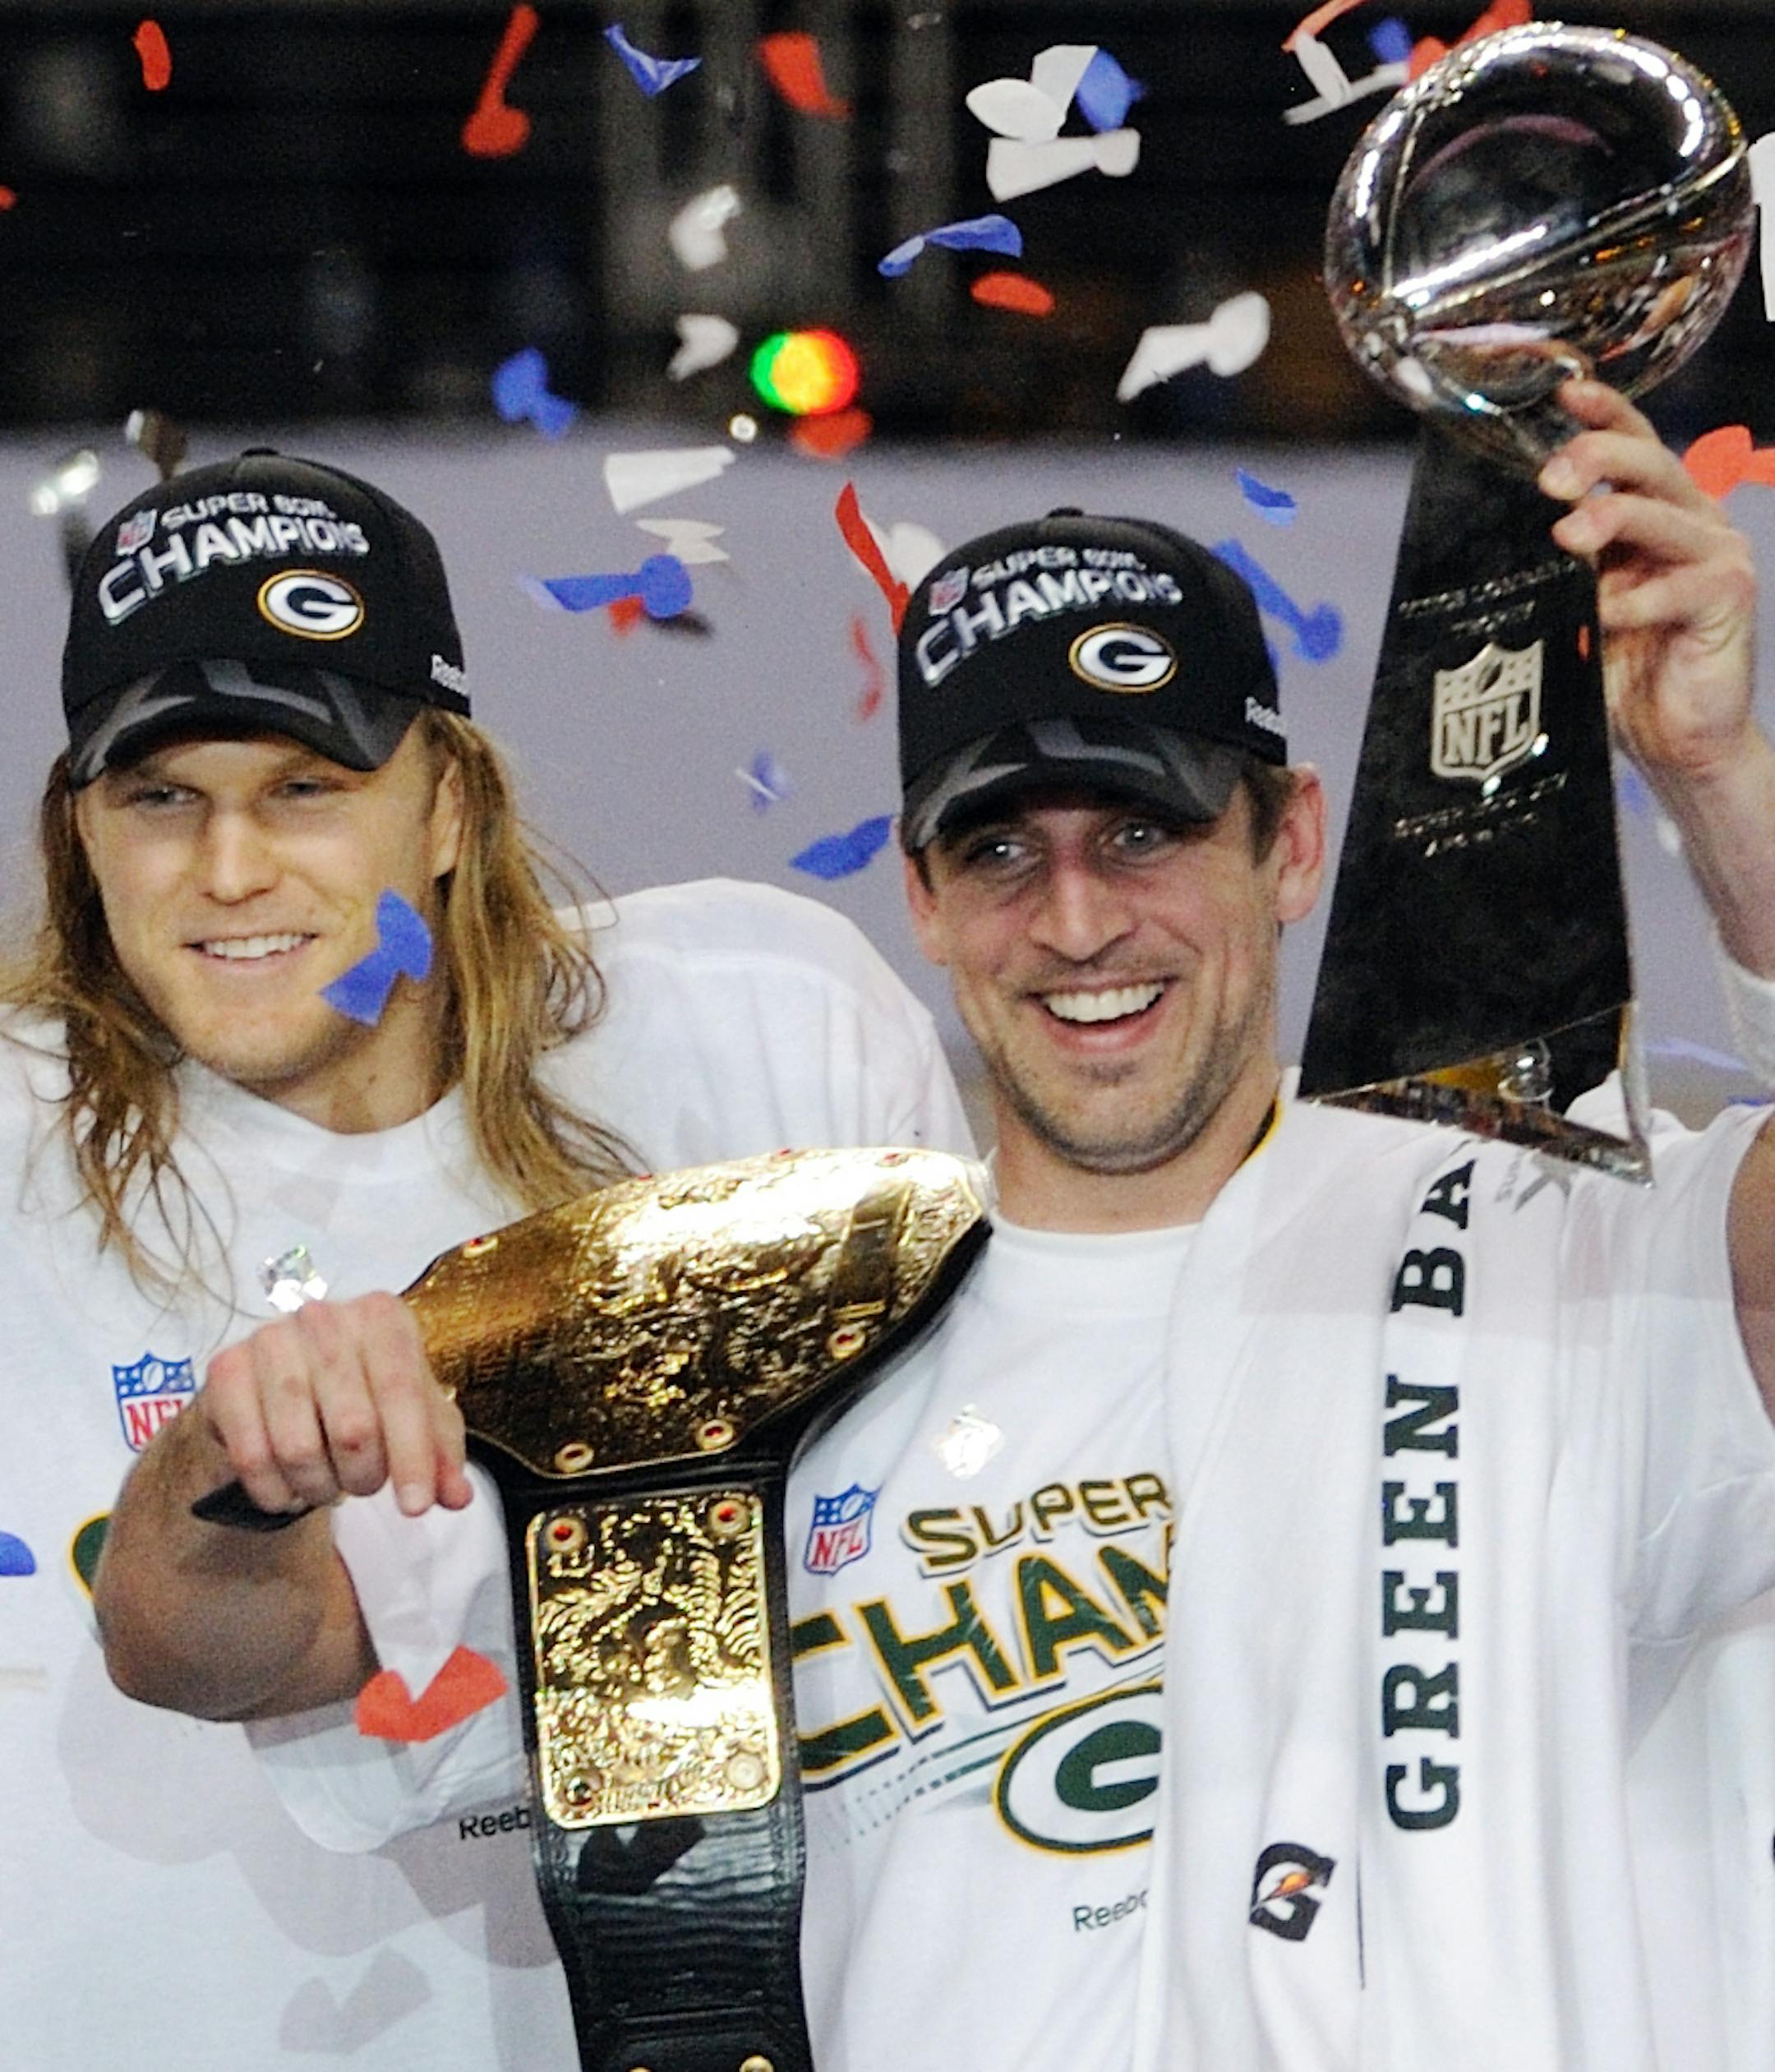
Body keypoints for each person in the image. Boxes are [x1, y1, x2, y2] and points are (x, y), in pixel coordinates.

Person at [103, 380, 1775, 2072]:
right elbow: (227, 1650)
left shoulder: (1522, 1242)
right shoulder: (752, 1341)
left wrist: (1719, 778)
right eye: (999, 851)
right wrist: (232, 1464)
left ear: (1291, 845)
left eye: (1144, 830)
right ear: (919, 895)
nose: (1077, 920)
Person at [5, 445, 971, 2071]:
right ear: (80, 827)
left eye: (306, 788)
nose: (230, 870)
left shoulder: (764, 1030)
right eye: (161, 796)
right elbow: (197, 1644)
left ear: (450, 802)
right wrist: (228, 1472)